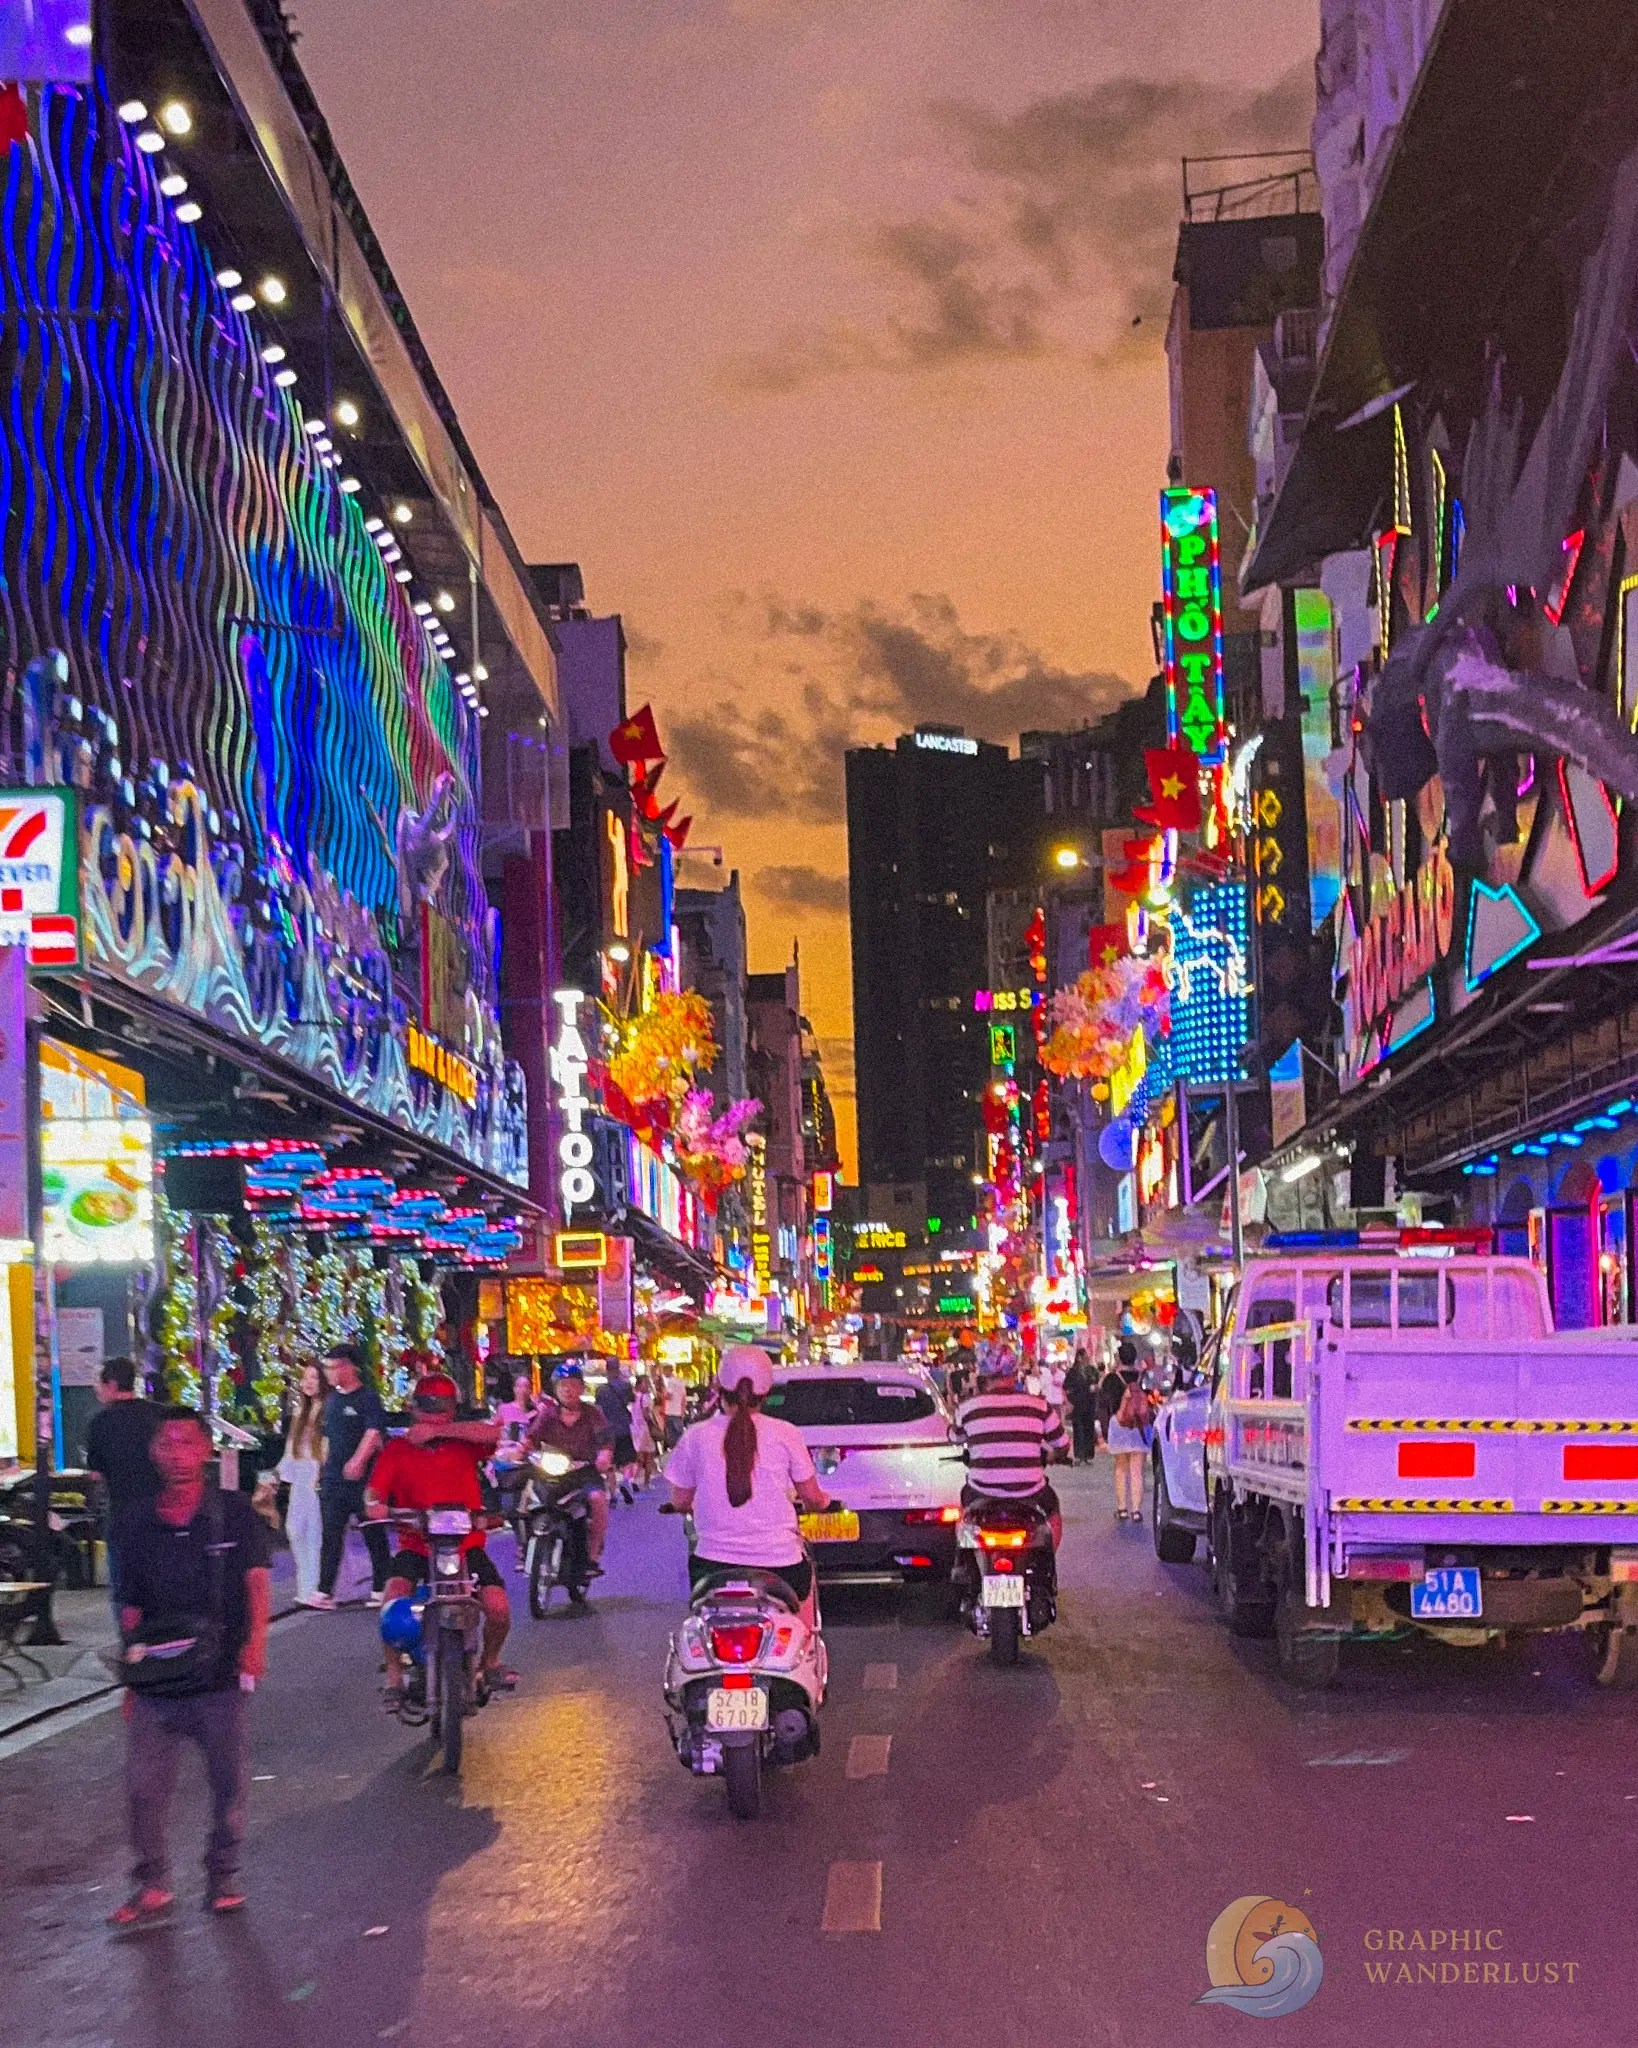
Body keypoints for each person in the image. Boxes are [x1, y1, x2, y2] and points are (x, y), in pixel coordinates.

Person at [108, 1407, 272, 1928]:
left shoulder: (232, 1512)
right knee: (144, 1787)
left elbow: (257, 1581)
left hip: (218, 1673)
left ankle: (222, 1873)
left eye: (187, 1444)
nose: (177, 1456)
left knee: (228, 1781)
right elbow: (128, 1603)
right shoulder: (134, 1521)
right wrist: (130, 1674)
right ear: (154, 1453)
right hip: (157, 1677)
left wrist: (255, 1644)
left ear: (206, 1450)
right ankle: (152, 1883)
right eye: (167, 1445)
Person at [366, 1372, 515, 1705]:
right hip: (416, 1545)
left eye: (441, 1408)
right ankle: (394, 1675)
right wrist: (376, 1507)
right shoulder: (397, 1450)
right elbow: (374, 1493)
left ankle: (489, 1662)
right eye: (428, 1408)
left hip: (466, 1546)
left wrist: (440, 1431)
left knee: (498, 1607)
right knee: (391, 1600)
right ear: (414, 1408)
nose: (433, 1415)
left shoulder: (464, 1442)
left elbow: (492, 1434)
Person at [664, 1345, 834, 1632]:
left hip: (712, 1567)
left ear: (718, 1386)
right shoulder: (785, 1433)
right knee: (801, 1629)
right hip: (782, 1567)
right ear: (766, 1391)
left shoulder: (696, 1436)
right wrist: (826, 1502)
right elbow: (813, 1498)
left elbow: (680, 1501)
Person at [954, 1346, 1070, 1548]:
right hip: (1030, 1489)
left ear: (983, 1375)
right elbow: (1062, 1444)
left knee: (964, 1509)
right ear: (1015, 1372)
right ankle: (1049, 1555)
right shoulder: (1039, 1406)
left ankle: (963, 1558)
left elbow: (954, 1437)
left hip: (981, 1489)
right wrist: (1052, 1456)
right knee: (1052, 1509)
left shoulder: (968, 1407)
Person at [313, 1344, 393, 1610]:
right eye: (327, 1368)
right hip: (334, 1480)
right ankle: (324, 1590)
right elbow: (326, 1438)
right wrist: (321, 1471)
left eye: (334, 1367)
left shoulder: (367, 1398)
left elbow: (373, 1433)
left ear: (349, 1367)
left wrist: (358, 1461)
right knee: (331, 1535)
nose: (330, 1373)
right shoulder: (332, 1401)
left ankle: (381, 1586)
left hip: (363, 1481)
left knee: (373, 1532)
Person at [83, 1356, 162, 1604]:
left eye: (99, 1382)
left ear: (113, 1384)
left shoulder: (100, 1423)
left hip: (123, 1514)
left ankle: (132, 1637)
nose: (96, 1388)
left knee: (126, 1587)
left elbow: (95, 1472)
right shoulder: (159, 1415)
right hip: (162, 1512)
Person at [527, 1360, 615, 1571]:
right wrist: (519, 1450)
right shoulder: (547, 1414)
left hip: (584, 1473)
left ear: (581, 1388)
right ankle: (524, 1548)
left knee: (597, 1499)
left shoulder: (593, 1414)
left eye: (572, 1384)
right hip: (552, 1472)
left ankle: (592, 1555)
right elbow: (531, 1438)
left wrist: (604, 1457)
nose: (567, 1389)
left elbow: (605, 1441)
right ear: (555, 1389)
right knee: (525, 1499)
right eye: (562, 1385)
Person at [276, 1364, 325, 1605]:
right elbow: (290, 1449)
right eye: (305, 1377)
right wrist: (278, 1475)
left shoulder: (328, 1410)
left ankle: (313, 1589)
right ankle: (304, 1586)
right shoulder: (299, 1413)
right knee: (294, 1530)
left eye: (314, 1377)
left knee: (314, 1533)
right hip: (301, 1478)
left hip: (318, 1476)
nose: (308, 1382)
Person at [1107, 1370, 1156, 1523]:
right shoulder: (1143, 1376)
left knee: (1121, 1468)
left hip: (1119, 1425)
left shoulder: (1112, 1379)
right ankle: (1136, 1511)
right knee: (1137, 1471)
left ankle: (1122, 1509)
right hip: (1139, 1427)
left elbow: (1104, 1404)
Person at [596, 1361, 639, 1502]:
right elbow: (632, 1400)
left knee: (610, 1465)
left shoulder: (600, 1390)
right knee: (627, 1460)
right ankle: (625, 1482)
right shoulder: (625, 1385)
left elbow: (598, 1408)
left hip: (607, 1430)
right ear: (618, 1368)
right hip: (623, 1428)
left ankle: (612, 1494)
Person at [1064, 1348, 1100, 1465]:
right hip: (1078, 1404)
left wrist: (1095, 1388)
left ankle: (1088, 1454)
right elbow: (1067, 1388)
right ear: (1079, 1357)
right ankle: (1079, 1455)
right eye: (1084, 1356)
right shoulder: (1073, 1372)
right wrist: (1069, 1401)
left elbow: (1097, 1382)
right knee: (1078, 1429)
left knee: (1089, 1428)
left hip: (1089, 1403)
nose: (1086, 1358)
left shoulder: (1092, 1370)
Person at [630, 1373, 660, 1488]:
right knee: (649, 1456)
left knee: (640, 1457)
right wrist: (654, 1424)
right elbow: (646, 1414)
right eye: (646, 1383)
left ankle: (634, 1479)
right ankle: (646, 1483)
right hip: (646, 1429)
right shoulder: (646, 1397)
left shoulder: (634, 1396)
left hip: (635, 1429)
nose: (648, 1385)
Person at [661, 1366, 689, 1449]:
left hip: (670, 1412)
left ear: (669, 1371)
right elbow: (684, 1398)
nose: (663, 1373)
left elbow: (668, 1396)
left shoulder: (671, 1382)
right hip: (678, 1413)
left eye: (664, 1371)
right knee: (680, 1436)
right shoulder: (680, 1381)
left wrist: (660, 1395)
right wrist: (682, 1412)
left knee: (672, 1438)